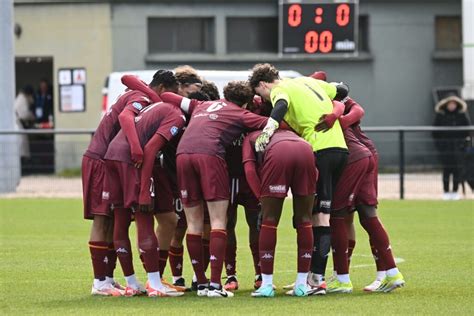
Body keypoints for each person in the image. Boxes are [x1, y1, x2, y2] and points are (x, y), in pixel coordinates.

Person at [160, 81, 268, 298]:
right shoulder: (241, 113)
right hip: (209, 155)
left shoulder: (201, 105)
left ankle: (201, 283)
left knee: (193, 222)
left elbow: (169, 98)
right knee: (219, 220)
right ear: (245, 102)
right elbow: (273, 124)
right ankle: (215, 285)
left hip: (183, 155)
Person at [248, 63, 348, 294]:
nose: (264, 99)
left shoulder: (278, 89)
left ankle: (315, 281)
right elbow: (343, 89)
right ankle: (311, 278)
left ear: (263, 84)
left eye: (260, 93)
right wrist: (335, 112)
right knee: (320, 213)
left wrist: (268, 129)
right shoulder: (308, 81)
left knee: (319, 217)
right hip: (340, 149)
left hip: (320, 149)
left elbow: (280, 104)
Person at [313, 71, 405, 293]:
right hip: (364, 152)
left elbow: (358, 110)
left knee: (337, 214)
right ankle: (388, 273)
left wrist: (338, 121)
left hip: (352, 156)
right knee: (363, 214)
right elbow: (357, 109)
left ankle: (341, 278)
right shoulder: (328, 96)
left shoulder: (322, 97)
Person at [82, 70, 165, 297]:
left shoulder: (135, 93)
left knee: (110, 219)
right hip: (101, 159)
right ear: (162, 89)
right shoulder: (141, 98)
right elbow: (124, 116)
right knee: (102, 220)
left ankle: (107, 278)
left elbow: (127, 78)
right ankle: (100, 281)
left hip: (106, 159)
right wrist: (137, 147)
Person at [103, 70, 185, 298]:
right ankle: (154, 284)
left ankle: (132, 283)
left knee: (120, 218)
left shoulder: (150, 104)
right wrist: (143, 190)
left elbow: (128, 80)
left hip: (112, 155)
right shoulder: (177, 115)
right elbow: (150, 150)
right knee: (144, 215)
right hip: (131, 160)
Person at [242, 128, 317, 298]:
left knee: (269, 220)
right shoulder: (293, 130)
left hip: (278, 153)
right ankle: (302, 285)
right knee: (305, 220)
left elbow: (249, 171)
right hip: (306, 149)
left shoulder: (251, 136)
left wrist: (261, 199)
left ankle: (267, 285)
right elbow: (316, 171)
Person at [433, 94, 471, 200]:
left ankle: (455, 192)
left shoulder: (461, 115)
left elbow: (467, 130)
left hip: (459, 148)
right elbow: (435, 132)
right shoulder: (441, 115)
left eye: (454, 104)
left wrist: (463, 144)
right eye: (450, 104)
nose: (452, 106)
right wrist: (440, 145)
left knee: (457, 170)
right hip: (445, 148)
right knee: (446, 170)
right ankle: (446, 192)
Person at [14, 85, 35, 160]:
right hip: (18, 125)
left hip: (18, 124)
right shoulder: (22, 98)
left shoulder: (21, 97)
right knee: (22, 147)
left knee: (22, 146)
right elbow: (24, 115)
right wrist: (32, 116)